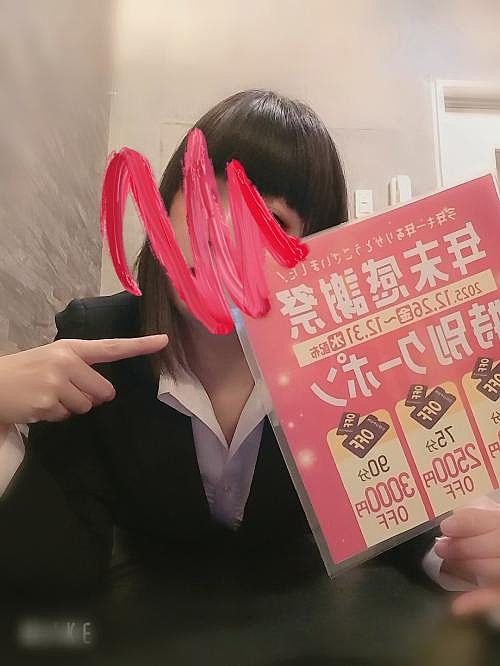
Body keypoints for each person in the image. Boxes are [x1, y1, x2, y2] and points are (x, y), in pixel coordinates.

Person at [1, 90, 499, 616]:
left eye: (272, 221)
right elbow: (64, 564)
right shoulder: (95, 343)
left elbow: (395, 511)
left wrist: (461, 554)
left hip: (300, 622)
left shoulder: (349, 361)